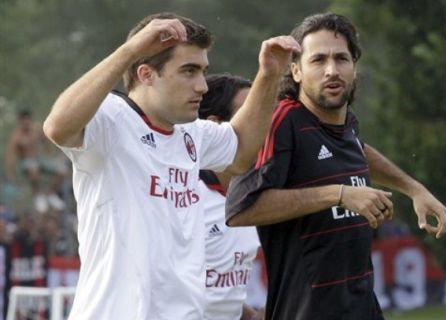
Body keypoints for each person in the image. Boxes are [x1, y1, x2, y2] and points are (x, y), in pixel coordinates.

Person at [43, 12, 299, 320]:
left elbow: (242, 150)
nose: (203, 86)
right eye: (189, 71)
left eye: (203, 71)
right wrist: (130, 50)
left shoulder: (190, 132)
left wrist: (269, 74)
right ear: (147, 74)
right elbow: (57, 127)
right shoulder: (112, 118)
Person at [225, 13, 446, 320]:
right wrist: (339, 194)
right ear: (296, 71)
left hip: (361, 306)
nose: (332, 70)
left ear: (354, 68)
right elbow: (240, 209)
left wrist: (414, 189)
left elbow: (356, 148)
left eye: (341, 59)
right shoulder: (283, 121)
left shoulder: (346, 123)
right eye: (318, 60)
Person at [199, 74, 263, 320]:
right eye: (251, 115)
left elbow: (223, 302)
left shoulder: (254, 197)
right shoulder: (183, 197)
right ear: (215, 126)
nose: (263, 127)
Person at [4, 110, 67, 213]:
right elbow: (10, 156)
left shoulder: (36, 130)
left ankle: (51, 194)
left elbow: (47, 140)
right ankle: (38, 195)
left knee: (62, 171)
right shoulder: (16, 137)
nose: (27, 124)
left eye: (28, 121)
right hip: (26, 162)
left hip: (40, 159)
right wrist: (10, 173)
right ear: (20, 122)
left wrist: (50, 154)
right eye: (24, 122)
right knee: (34, 170)